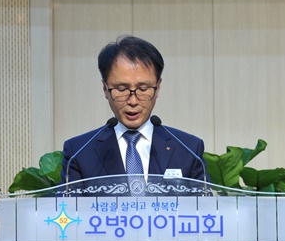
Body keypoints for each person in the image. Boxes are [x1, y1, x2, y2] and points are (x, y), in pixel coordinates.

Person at [61, 35, 206, 184]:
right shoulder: (79, 152)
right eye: (121, 89)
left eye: (143, 89)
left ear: (158, 87)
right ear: (105, 89)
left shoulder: (188, 149)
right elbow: (67, 199)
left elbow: (203, 199)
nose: (133, 101)